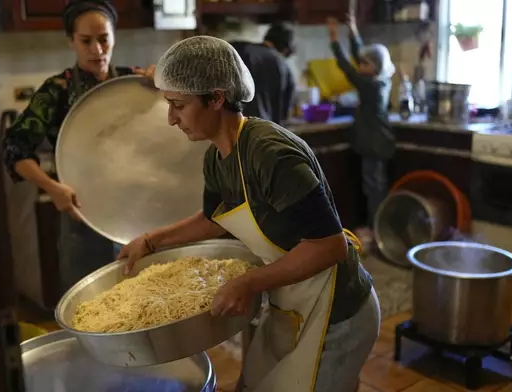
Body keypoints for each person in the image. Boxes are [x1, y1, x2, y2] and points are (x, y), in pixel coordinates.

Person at [118, 36, 380, 392]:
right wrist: (150, 241)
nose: (171, 119)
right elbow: (213, 219)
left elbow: (329, 246)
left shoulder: (271, 154)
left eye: (178, 105)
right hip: (292, 301)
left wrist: (248, 282)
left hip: (340, 313)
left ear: (216, 98)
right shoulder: (217, 156)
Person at [2, 0, 154, 292]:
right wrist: (52, 187)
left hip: (139, 212)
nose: (97, 50)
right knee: (92, 305)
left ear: (114, 37)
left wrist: (163, 82)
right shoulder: (56, 91)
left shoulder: (133, 82)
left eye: (104, 39)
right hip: (83, 215)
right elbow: (14, 147)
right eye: (86, 41)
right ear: (71, 40)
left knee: (143, 299)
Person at [328, 15, 396, 240]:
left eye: (365, 64)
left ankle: (377, 231)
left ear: (374, 67)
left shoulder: (369, 85)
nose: (361, 65)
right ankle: (376, 228)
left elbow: (346, 67)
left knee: (374, 189)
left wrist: (334, 39)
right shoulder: (381, 80)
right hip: (378, 142)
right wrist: (353, 30)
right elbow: (359, 58)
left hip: (373, 144)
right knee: (375, 187)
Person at [229, 22, 296, 124]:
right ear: (285, 49)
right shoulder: (281, 63)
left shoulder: (236, 49)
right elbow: (284, 113)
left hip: (227, 127)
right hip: (262, 131)